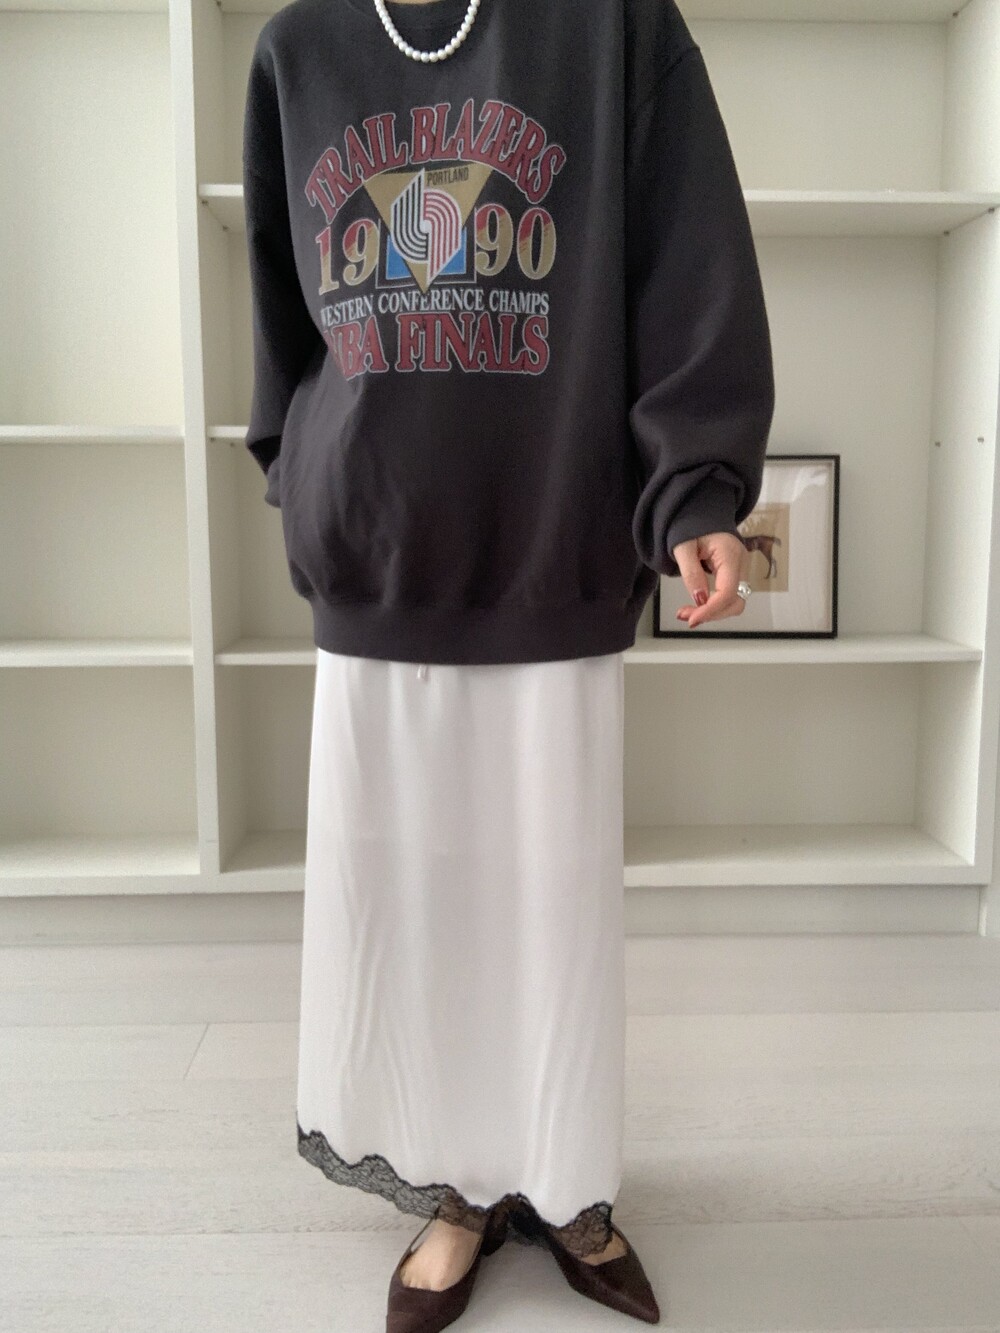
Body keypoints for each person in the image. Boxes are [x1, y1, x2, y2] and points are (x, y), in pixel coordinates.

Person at [242, 0, 775, 1326]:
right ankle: (456, 1189)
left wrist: (697, 491)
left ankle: (567, 1182)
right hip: (377, 560)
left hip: (550, 542)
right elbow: (279, 306)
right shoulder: (299, 49)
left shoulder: (611, 26)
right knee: (410, 902)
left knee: (552, 909)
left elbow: (691, 262)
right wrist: (302, 474)